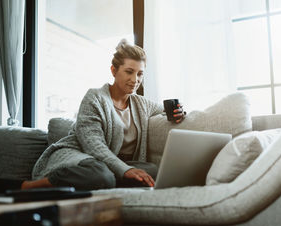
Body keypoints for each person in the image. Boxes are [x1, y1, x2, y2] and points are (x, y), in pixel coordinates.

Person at [22, 39, 185, 190]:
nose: (135, 79)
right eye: (129, 72)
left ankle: (109, 178)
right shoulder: (95, 97)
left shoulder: (142, 104)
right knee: (100, 175)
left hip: (110, 163)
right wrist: (125, 170)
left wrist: (179, 112)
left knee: (153, 171)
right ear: (114, 71)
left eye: (140, 73)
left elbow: (165, 110)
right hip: (82, 156)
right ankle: (34, 185)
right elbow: (93, 146)